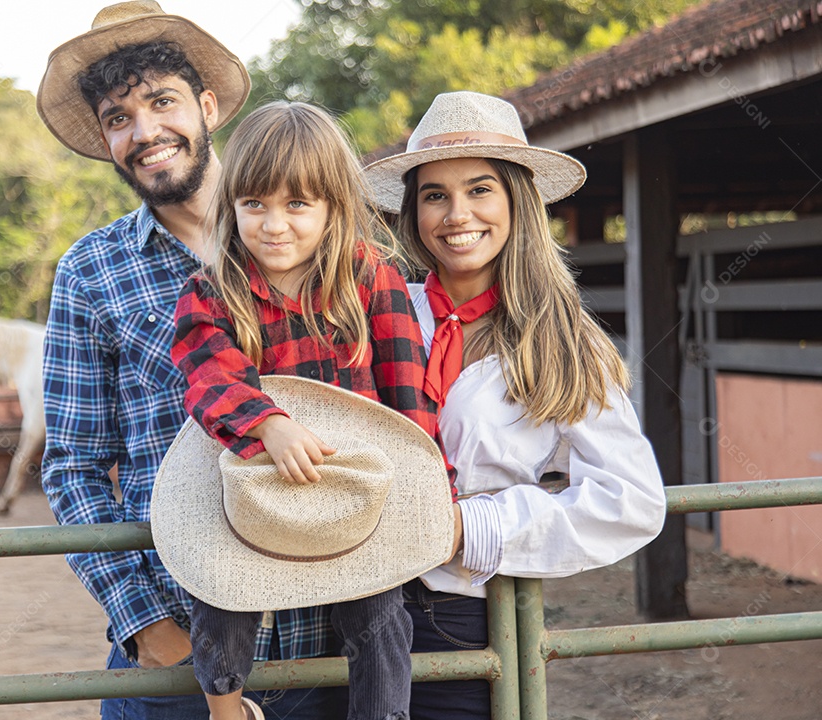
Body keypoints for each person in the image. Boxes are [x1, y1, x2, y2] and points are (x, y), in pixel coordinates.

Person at [37, 4, 344, 718]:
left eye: (162, 101)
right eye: (118, 118)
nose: (144, 133)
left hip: (326, 629)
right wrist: (149, 629)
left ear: (206, 106)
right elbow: (74, 468)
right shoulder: (92, 271)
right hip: (180, 640)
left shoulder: (318, 234)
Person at [364, 91, 668, 720]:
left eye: (480, 190)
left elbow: (633, 501)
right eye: (434, 195)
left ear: (516, 202)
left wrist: (474, 527)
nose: (456, 215)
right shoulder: (374, 314)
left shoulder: (560, 339)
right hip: (347, 608)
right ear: (413, 211)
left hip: (463, 615)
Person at [167, 101, 458, 720]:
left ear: (333, 208)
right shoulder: (213, 289)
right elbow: (208, 369)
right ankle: (227, 709)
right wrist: (267, 421)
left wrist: (427, 484)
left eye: (297, 204)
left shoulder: (369, 276)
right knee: (219, 591)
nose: (275, 225)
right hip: (251, 484)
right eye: (255, 205)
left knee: (381, 617)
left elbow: (408, 393)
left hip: (350, 488)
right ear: (233, 206)